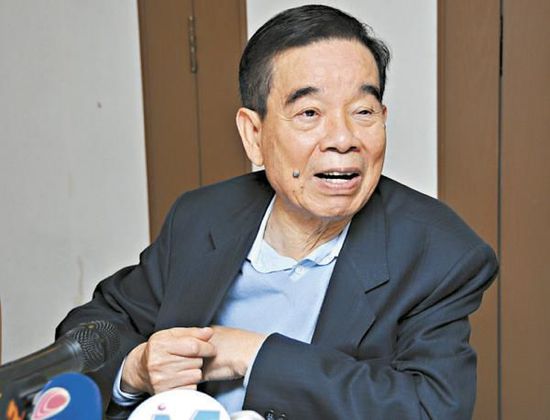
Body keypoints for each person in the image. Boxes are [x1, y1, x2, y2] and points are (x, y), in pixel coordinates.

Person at [57, 5, 498, 419]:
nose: (342, 139)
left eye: (363, 111)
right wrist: (135, 369)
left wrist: (252, 354)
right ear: (253, 134)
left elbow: (430, 408)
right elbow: (89, 332)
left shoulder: (439, 252)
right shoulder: (203, 217)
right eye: (309, 112)